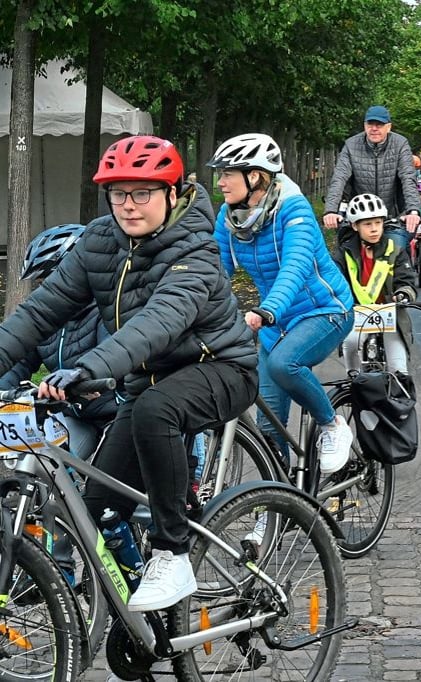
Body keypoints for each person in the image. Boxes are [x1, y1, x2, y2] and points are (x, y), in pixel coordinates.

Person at [0, 135, 259, 611]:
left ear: (172, 193)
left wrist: (89, 368)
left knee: (156, 409)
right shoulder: (100, 241)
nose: (128, 205)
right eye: (118, 193)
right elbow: (40, 312)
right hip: (145, 382)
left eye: (142, 192)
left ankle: (172, 554)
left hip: (220, 368)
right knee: (97, 510)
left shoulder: (195, 250)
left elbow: (158, 322)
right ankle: (142, 622)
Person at [209, 133, 355, 473]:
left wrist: (267, 310)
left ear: (255, 176)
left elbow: (295, 267)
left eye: (227, 174)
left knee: (283, 364)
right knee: (268, 424)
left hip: (325, 311)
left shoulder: (294, 209)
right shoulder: (229, 217)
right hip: (276, 322)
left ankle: (332, 424)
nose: (220, 182)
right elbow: (214, 271)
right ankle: (281, 499)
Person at [0, 224, 123, 459]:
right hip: (75, 415)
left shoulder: (108, 310)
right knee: (43, 464)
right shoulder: (47, 320)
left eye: (52, 278)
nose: (47, 288)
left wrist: (79, 375)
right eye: (42, 281)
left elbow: (112, 356)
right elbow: (18, 361)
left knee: (111, 477)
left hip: (118, 414)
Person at [337, 194, 418, 375]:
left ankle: (400, 391)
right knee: (350, 343)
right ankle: (353, 379)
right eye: (367, 224)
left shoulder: (395, 249)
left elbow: (406, 279)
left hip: (390, 316)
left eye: (378, 223)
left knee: (399, 370)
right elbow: (334, 281)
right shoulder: (344, 252)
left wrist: (403, 293)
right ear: (355, 226)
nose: (374, 229)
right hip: (356, 315)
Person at [323, 105, 420, 250]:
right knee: (346, 252)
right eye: (370, 124)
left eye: (379, 124)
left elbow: (408, 178)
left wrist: (413, 211)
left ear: (388, 127)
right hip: (360, 216)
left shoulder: (400, 144)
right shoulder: (351, 145)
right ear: (364, 125)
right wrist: (331, 210)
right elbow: (339, 178)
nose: (374, 128)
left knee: (396, 252)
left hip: (392, 216)